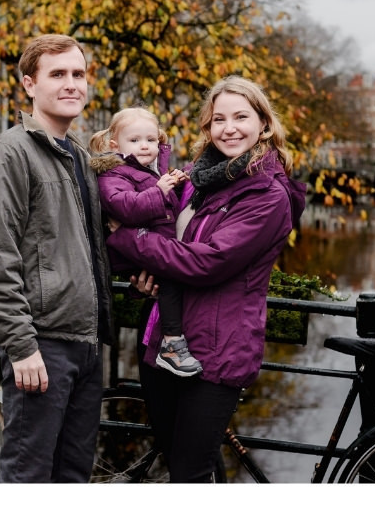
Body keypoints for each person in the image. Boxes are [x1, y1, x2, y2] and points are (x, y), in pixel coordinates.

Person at [106, 77, 306, 481]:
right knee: (184, 463)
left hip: (215, 352)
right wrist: (145, 279)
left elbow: (205, 262)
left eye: (241, 117)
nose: (229, 128)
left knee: (188, 475)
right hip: (162, 341)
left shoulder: (268, 195)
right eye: (219, 119)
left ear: (264, 125)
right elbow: (168, 241)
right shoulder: (200, 179)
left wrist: (123, 236)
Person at [0, 34, 114, 483]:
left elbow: (83, 245)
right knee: (27, 477)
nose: (72, 85)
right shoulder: (10, 152)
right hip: (41, 345)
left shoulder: (79, 157)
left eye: (79, 74)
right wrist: (21, 344)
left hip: (85, 345)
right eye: (58, 75)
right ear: (29, 84)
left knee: (72, 477)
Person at [88, 107, 202, 378]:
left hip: (149, 245)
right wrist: (160, 190)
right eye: (135, 140)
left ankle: (172, 340)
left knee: (170, 282)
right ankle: (172, 344)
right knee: (173, 277)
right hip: (130, 248)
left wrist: (173, 184)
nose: (144, 146)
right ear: (115, 145)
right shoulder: (113, 173)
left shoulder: (147, 171)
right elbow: (125, 207)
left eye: (151, 140)